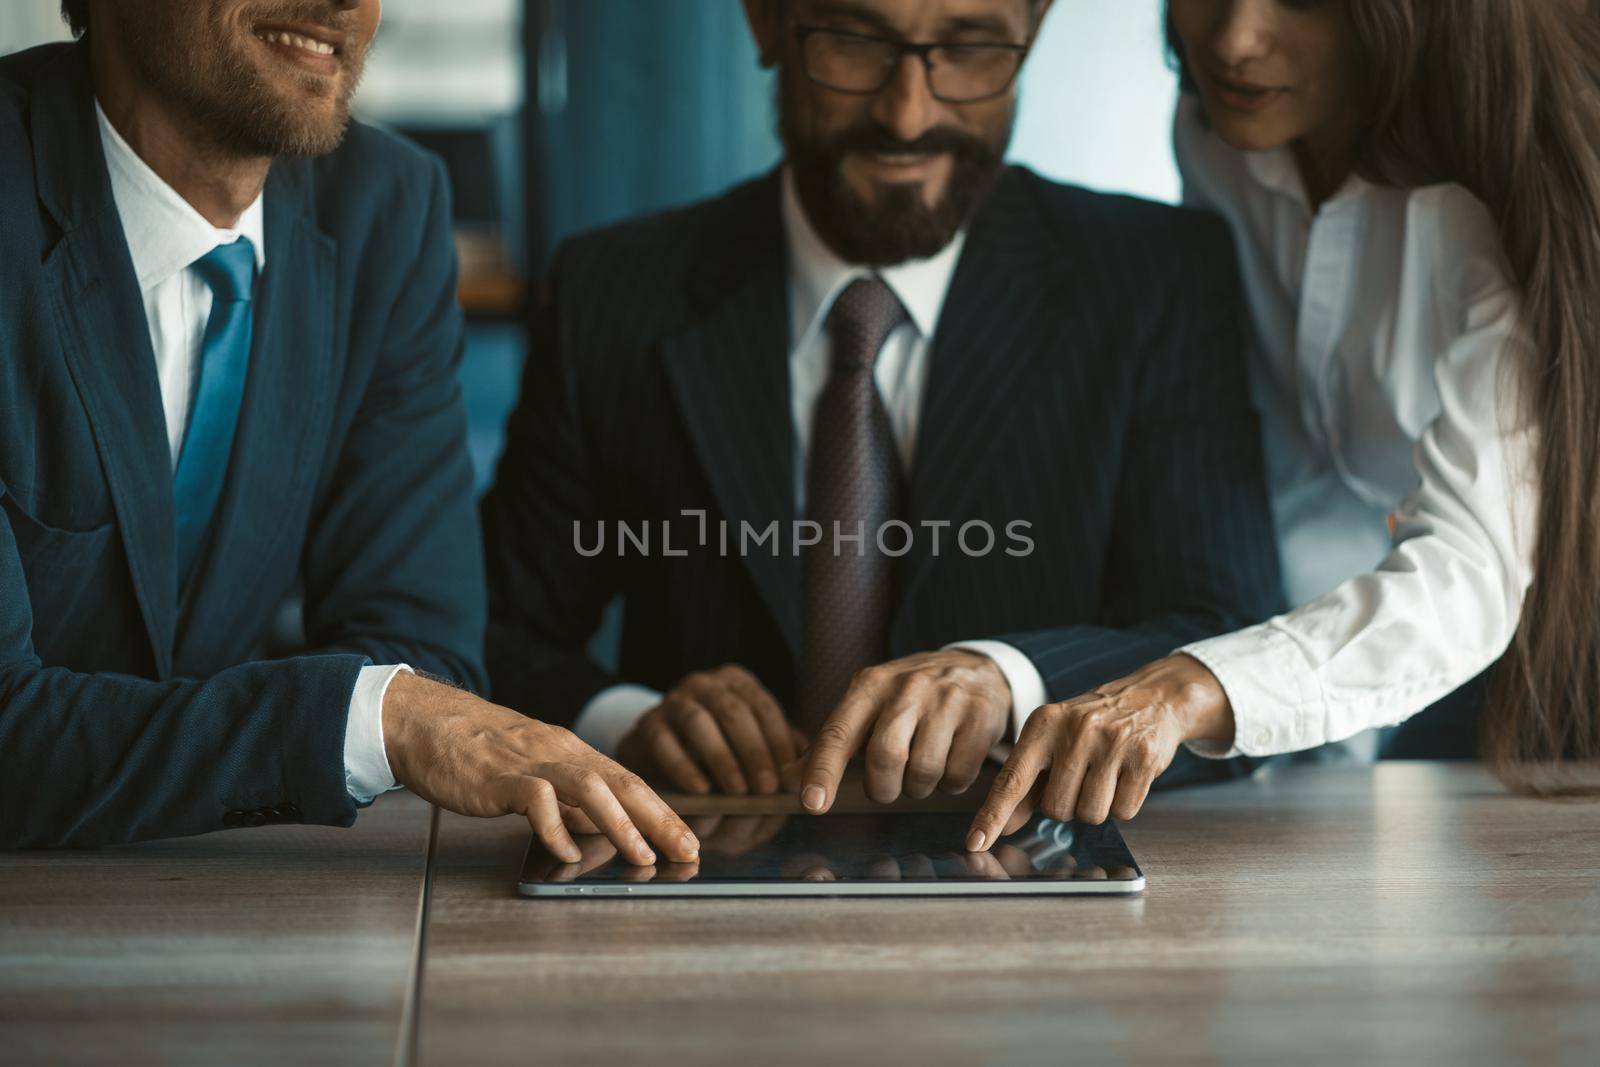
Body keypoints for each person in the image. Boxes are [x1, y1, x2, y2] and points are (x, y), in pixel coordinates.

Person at [481, 0, 1284, 816]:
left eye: (970, 49)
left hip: (1039, 902)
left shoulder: (1159, 281)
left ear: (1034, 28)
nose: (908, 114)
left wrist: (1009, 682)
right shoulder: (611, 295)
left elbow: (1235, 642)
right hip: (697, 885)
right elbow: (493, 631)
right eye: (854, 43)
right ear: (766, 22)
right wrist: (624, 723)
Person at [0, 0, 699, 865]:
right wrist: (373, 719)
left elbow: (420, 649)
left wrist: (386, 712)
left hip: (215, 897)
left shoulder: (386, 207)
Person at [969, 0, 1600, 850]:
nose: (1232, 40)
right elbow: (1277, 457)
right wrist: (1244, 693)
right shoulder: (1216, 136)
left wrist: (1201, 685)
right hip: (1331, 672)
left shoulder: (1505, 200)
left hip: (1548, 661)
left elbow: (1469, 567)